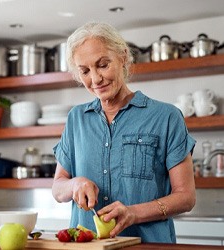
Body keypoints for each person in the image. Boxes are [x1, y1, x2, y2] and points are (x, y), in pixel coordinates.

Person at [52, 22, 196, 243]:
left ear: (123, 57)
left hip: (149, 246)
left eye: (102, 65)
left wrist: (134, 213)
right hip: (88, 246)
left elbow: (186, 197)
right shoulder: (76, 119)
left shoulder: (166, 117)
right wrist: (74, 184)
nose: (96, 79)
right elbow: (58, 188)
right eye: (85, 71)